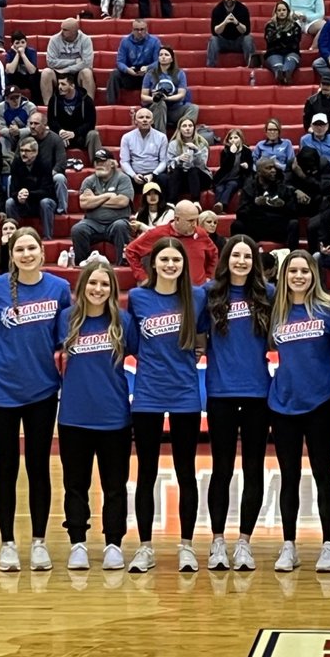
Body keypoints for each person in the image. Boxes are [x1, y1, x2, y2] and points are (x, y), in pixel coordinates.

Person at [0, 228, 71, 571]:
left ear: (42, 251)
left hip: (42, 390)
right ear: (11, 253)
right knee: (6, 466)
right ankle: (7, 543)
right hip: (2, 390)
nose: (27, 254)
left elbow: (64, 337)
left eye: (32, 247)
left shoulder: (59, 289)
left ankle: (39, 542)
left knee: (38, 466)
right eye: (20, 249)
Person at [127, 237, 207, 573]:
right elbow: (131, 342)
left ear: (183, 265)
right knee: (145, 473)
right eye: (165, 260)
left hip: (185, 392)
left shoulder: (197, 296)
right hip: (147, 394)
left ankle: (186, 546)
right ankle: (145, 548)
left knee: (186, 471)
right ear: (153, 264)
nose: (171, 265)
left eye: (176, 260)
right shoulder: (138, 297)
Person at [56, 256, 135, 571]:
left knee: (115, 485)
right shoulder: (65, 319)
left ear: (112, 289)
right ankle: (78, 543)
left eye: (105, 284)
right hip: (74, 416)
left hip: (114, 415)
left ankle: (114, 543)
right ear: (82, 285)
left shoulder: (124, 322)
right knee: (75, 484)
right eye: (93, 282)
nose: (98, 288)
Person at [204, 235, 273, 571]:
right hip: (220, 393)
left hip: (259, 394)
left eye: (248, 256)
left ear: (254, 262)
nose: (242, 261)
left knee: (253, 469)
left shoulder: (267, 295)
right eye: (236, 255)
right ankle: (217, 541)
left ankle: (244, 542)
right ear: (227, 259)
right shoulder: (210, 294)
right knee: (221, 468)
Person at [267, 250, 330, 571]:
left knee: (324, 475)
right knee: (289, 477)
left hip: (321, 403)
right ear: (284, 276)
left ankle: (327, 545)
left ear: (314, 275)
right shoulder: (277, 310)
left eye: (305, 271)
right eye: (293, 270)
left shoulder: (328, 309)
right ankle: (289, 545)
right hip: (283, 404)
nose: (299, 276)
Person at [125, 199, 218, 284]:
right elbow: (130, 251)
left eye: (196, 220)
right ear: (177, 219)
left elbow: (214, 254)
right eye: (190, 221)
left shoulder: (201, 233)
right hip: (170, 293)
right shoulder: (158, 233)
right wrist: (143, 277)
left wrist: (209, 276)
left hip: (198, 292)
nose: (195, 224)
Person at [72, 148, 134, 260]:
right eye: (97, 162)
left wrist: (94, 199)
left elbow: (122, 201)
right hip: (92, 223)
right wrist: (107, 195)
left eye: (103, 161)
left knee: (121, 226)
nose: (99, 165)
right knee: (78, 229)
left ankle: (123, 262)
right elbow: (84, 204)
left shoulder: (123, 179)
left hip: (116, 222)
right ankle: (83, 263)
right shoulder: (89, 181)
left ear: (112, 163)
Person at [234, 156, 297, 247]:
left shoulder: (283, 188)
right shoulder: (249, 188)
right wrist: (255, 204)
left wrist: (283, 206)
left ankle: (292, 257)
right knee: (237, 225)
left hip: (277, 228)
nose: (273, 170)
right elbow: (240, 213)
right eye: (268, 168)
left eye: (274, 167)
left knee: (293, 223)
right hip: (256, 228)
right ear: (259, 172)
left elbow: (293, 212)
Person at [6, 138, 57, 240]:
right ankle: (15, 237)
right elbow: (13, 191)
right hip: (24, 202)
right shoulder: (16, 163)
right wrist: (18, 197)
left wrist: (29, 194)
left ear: (35, 152)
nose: (23, 153)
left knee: (45, 202)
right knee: (9, 202)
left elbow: (47, 191)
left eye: (27, 151)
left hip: (41, 202)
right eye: (21, 150)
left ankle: (47, 237)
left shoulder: (45, 164)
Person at [141, 46, 199, 134]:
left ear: (172, 59)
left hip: (174, 109)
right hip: (156, 109)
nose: (163, 57)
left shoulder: (180, 73)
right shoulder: (150, 74)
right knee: (160, 103)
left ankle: (178, 136)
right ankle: (162, 138)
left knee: (194, 108)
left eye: (166, 55)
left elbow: (181, 94)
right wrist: (154, 99)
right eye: (161, 55)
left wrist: (167, 98)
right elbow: (143, 96)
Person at [106, 20, 162, 104]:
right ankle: (111, 105)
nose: (139, 32)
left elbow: (158, 61)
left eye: (142, 29)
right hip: (130, 73)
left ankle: (153, 104)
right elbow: (120, 62)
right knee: (115, 74)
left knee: (155, 74)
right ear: (132, 30)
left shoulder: (155, 41)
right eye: (136, 29)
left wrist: (148, 68)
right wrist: (127, 70)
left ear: (147, 29)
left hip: (147, 74)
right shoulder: (125, 41)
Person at [42, 19, 96, 106]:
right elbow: (51, 62)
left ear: (74, 31)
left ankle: (88, 106)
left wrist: (68, 69)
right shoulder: (54, 39)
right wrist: (74, 61)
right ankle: (48, 106)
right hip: (59, 73)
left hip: (77, 73)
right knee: (46, 72)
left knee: (87, 72)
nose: (61, 32)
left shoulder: (86, 40)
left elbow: (87, 63)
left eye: (65, 30)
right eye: (61, 29)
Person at [47, 71, 101, 156]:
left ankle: (98, 164)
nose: (59, 87)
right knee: (48, 135)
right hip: (61, 135)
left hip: (80, 136)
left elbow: (90, 123)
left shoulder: (86, 100)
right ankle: (51, 168)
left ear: (72, 86)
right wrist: (60, 131)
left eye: (63, 84)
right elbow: (51, 121)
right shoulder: (54, 99)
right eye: (59, 84)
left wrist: (75, 133)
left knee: (93, 134)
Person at [120, 106, 170, 188]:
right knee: (123, 178)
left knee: (164, 178)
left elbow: (163, 161)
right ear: (135, 121)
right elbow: (124, 161)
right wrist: (133, 175)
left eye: (148, 117)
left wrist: (153, 174)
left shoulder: (161, 137)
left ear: (152, 120)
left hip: (154, 174)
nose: (144, 120)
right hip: (134, 174)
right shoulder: (127, 137)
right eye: (141, 117)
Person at [165, 117, 212, 202]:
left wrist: (197, 151)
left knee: (193, 170)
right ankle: (171, 203)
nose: (187, 128)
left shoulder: (202, 143)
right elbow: (169, 165)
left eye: (190, 126)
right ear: (179, 129)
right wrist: (178, 159)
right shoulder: (173, 144)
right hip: (182, 178)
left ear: (194, 128)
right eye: (184, 126)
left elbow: (202, 165)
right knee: (177, 171)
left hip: (200, 178)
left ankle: (196, 202)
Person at [207, 0, 255, 67]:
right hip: (223, 41)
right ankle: (211, 66)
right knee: (213, 39)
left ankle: (251, 65)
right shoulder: (217, 10)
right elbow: (215, 32)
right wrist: (225, 22)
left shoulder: (243, 9)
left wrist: (236, 23)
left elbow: (246, 31)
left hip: (238, 41)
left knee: (248, 38)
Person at [212, 128, 252, 213]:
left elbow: (250, 169)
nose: (233, 140)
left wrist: (247, 166)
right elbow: (224, 167)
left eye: (235, 137)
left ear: (241, 139)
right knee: (219, 188)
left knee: (231, 185)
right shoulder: (225, 151)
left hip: (237, 178)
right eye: (231, 138)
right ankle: (221, 208)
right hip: (223, 178)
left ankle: (220, 205)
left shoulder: (247, 151)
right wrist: (231, 153)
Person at [265, 1, 304, 85]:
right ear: (275, 12)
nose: (281, 12)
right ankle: (280, 75)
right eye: (279, 10)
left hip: (291, 52)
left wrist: (279, 37)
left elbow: (295, 42)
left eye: (284, 10)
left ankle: (286, 75)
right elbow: (270, 40)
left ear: (288, 11)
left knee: (290, 62)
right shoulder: (270, 26)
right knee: (278, 66)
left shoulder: (295, 26)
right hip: (274, 52)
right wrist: (286, 36)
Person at [4, 31, 40, 97]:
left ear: (26, 43)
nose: (20, 45)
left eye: (23, 42)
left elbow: (32, 71)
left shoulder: (31, 52)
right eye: (17, 43)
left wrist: (23, 54)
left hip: (28, 79)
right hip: (16, 80)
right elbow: (10, 71)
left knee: (35, 76)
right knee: (8, 75)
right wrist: (17, 54)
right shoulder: (10, 53)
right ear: (12, 44)